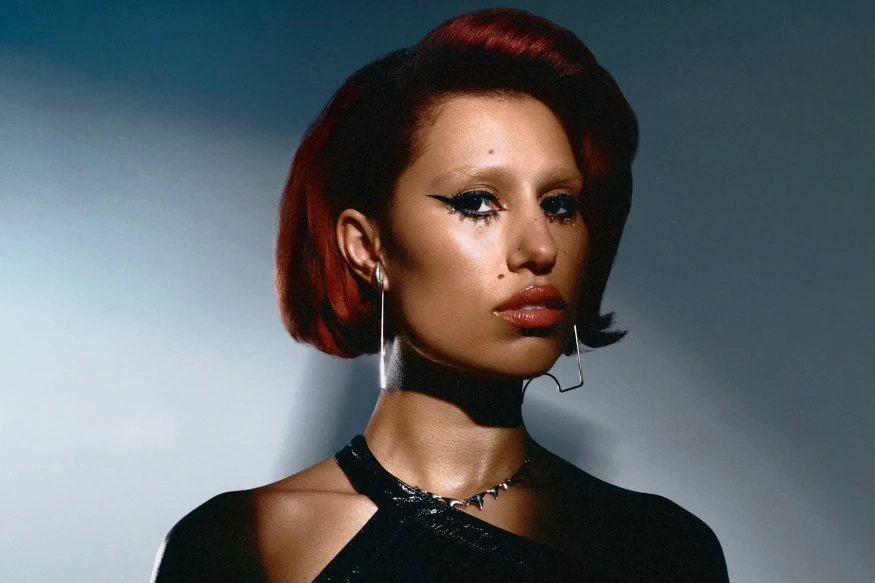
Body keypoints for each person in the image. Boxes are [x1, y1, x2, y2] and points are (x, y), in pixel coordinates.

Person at [151, 7, 729, 583]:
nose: (540, 248)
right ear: (366, 246)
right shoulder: (240, 545)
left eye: (559, 205)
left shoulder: (660, 549)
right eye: (477, 202)